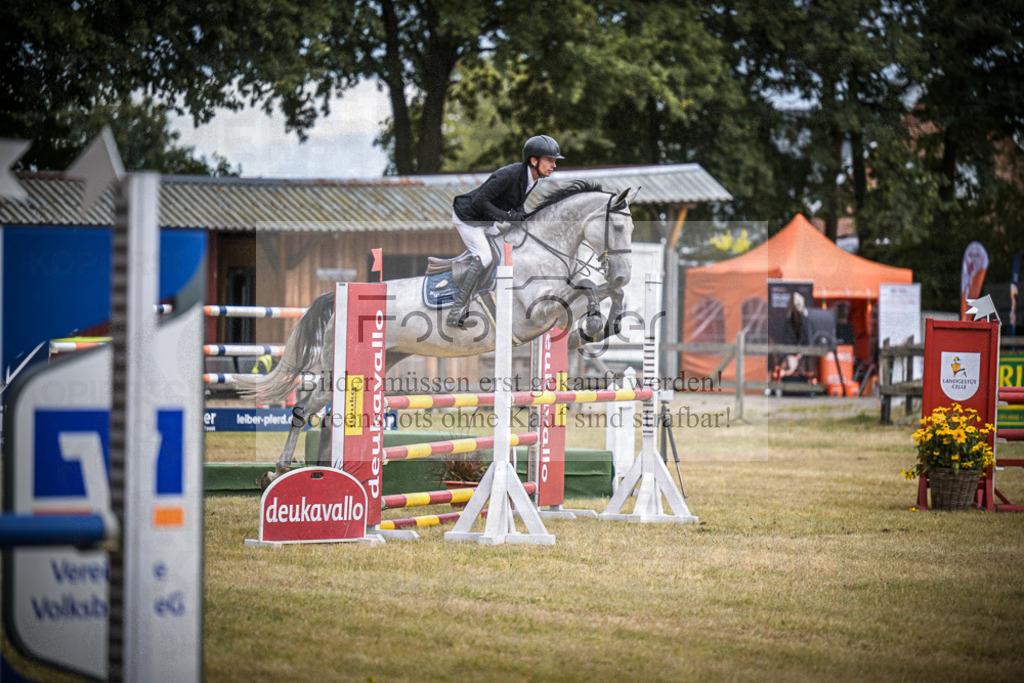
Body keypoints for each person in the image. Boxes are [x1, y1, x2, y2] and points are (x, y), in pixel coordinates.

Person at [447, 134, 564, 327]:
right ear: (534, 160)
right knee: (485, 257)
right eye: (550, 160)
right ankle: (457, 310)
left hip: (485, 220)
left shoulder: (532, 178)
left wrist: (527, 222)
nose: (554, 165)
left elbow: (516, 205)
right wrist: (508, 218)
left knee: (506, 248)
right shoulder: (508, 175)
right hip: (468, 219)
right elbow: (479, 201)